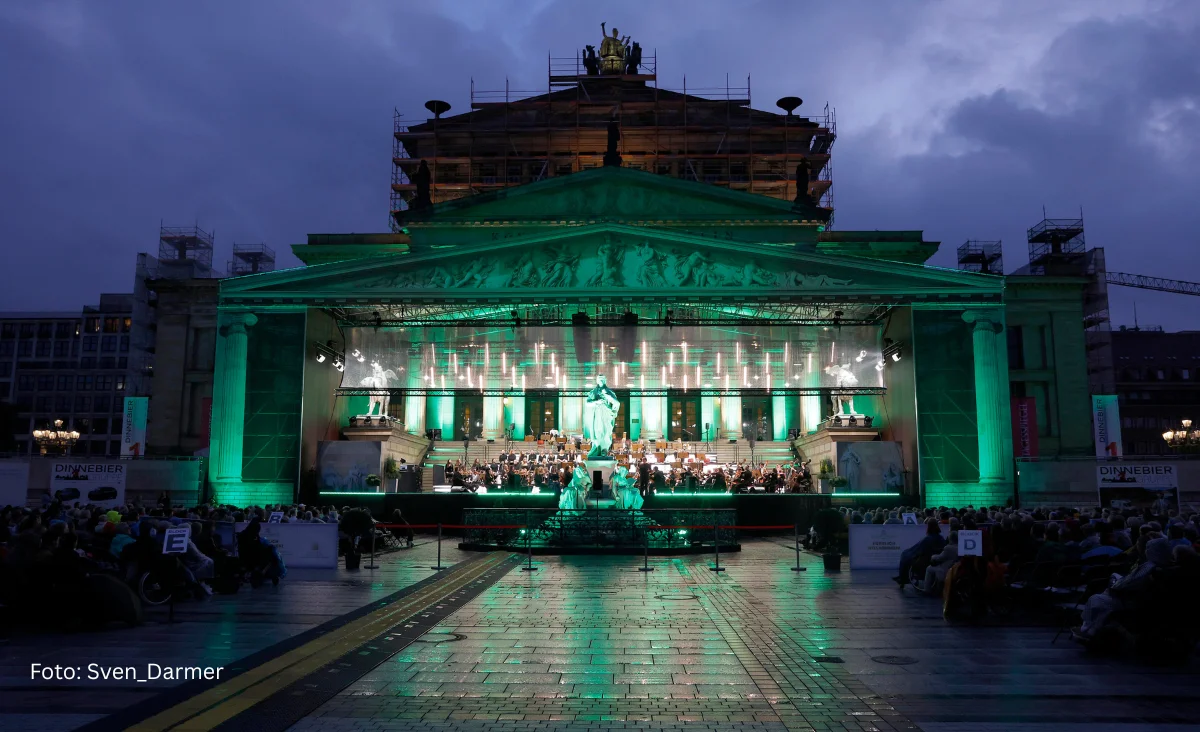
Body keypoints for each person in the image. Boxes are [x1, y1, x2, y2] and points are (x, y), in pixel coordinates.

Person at [895, 518, 947, 588]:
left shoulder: (927, 539)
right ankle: (902, 577)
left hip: (923, 560)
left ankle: (902, 578)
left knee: (904, 556)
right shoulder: (941, 538)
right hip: (932, 559)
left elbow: (917, 551)